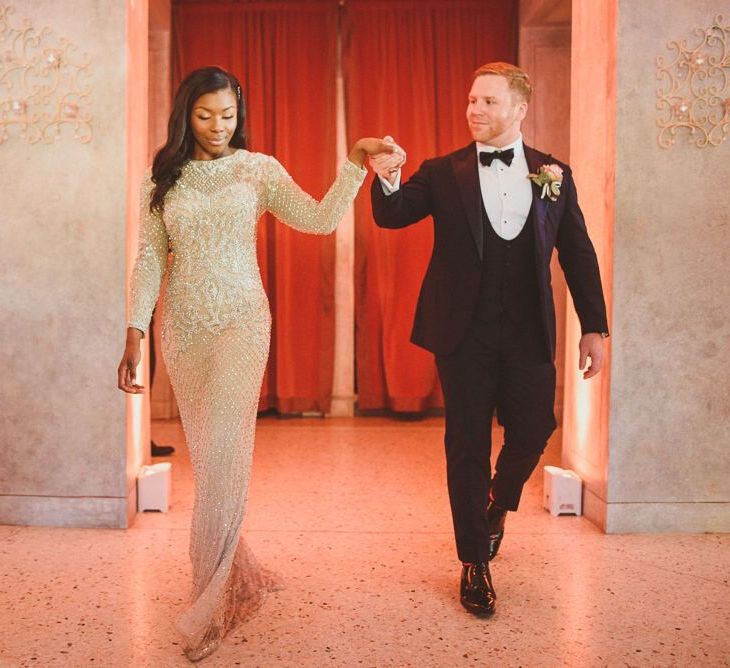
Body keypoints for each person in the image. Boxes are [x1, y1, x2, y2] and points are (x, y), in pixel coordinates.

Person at [117, 66, 394, 661]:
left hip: (243, 324)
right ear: (184, 114)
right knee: (210, 463)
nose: (218, 127)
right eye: (205, 115)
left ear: (240, 115)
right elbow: (149, 259)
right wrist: (135, 330)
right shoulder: (161, 179)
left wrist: (354, 162)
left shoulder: (257, 169)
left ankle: (208, 604)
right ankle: (235, 576)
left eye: (229, 115)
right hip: (184, 331)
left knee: (224, 456)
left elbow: (318, 220)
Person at [369, 62, 608, 617]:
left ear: (520, 109)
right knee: (466, 442)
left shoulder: (554, 173)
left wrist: (593, 326)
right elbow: (393, 215)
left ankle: (498, 502)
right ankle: (474, 561)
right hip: (463, 333)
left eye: (488, 102)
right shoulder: (443, 170)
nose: (475, 109)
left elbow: (577, 252)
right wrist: (386, 177)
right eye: (472, 100)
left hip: (528, 330)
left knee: (535, 427)